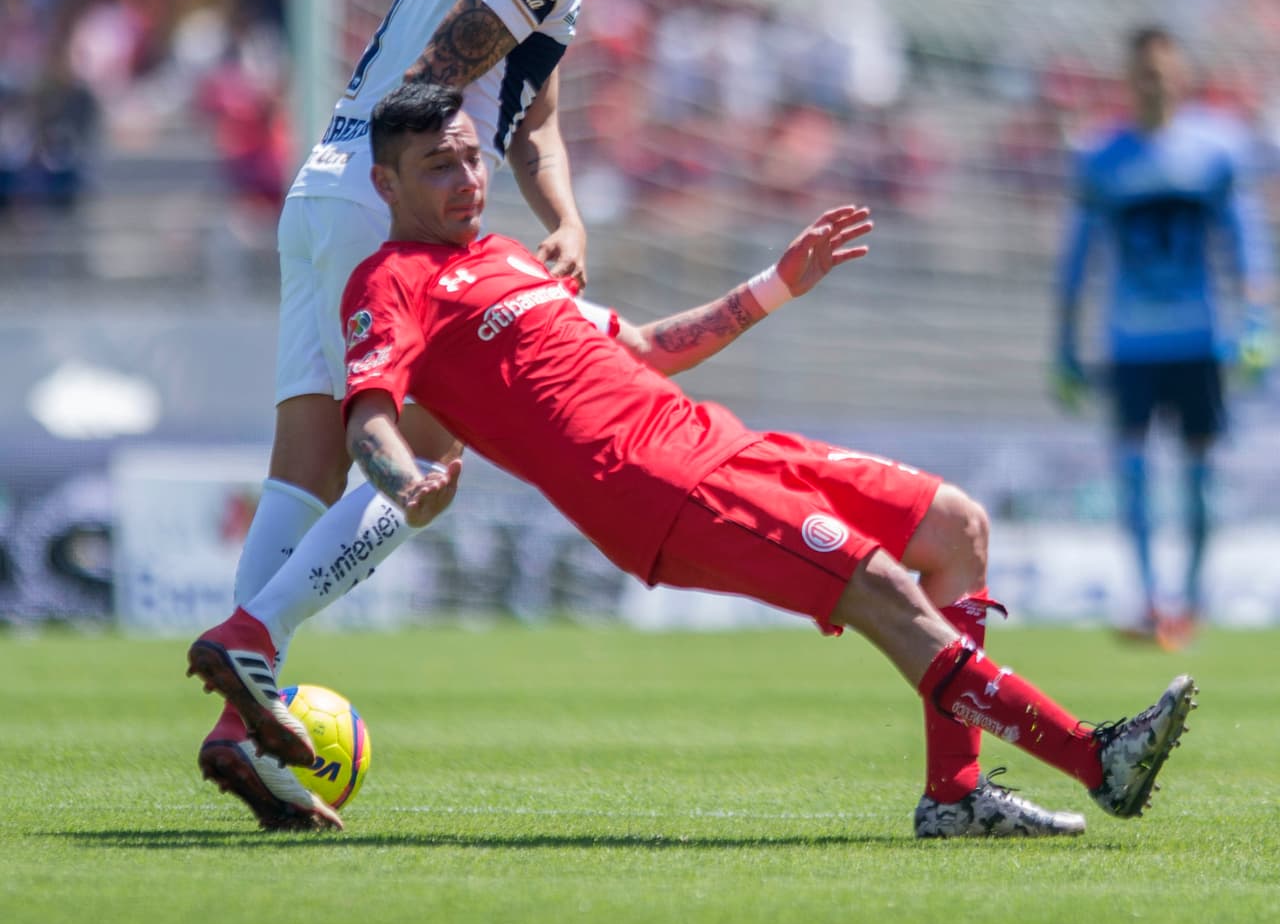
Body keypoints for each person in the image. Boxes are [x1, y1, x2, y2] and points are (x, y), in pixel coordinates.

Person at [190, 82, 1198, 839]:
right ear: (386, 184)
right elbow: (369, 411)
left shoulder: (504, 256)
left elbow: (635, 348)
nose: (464, 178)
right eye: (437, 166)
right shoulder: (391, 279)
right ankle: (1093, 758)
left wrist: (773, 284)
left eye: (468, 156)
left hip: (717, 439)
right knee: (885, 588)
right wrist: (401, 479)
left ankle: (954, 795)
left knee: (953, 527)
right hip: (656, 492)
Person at [193, 0, 681, 828]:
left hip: (323, 189)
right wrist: (435, 212)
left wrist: (563, 216)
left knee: (307, 466)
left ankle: (243, 721)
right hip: (386, 204)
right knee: (431, 448)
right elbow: (444, 78)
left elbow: (529, 106)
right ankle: (252, 642)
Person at [1052, 26, 1275, 647]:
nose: (1153, 84)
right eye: (1141, 74)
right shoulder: (1101, 155)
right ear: (1128, 81)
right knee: (1132, 470)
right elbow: (1078, 253)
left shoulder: (1216, 149)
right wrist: (1064, 342)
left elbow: (1246, 240)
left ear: (1181, 77)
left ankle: (1194, 602)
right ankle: (1150, 599)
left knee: (1201, 475)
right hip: (1129, 342)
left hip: (1199, 338)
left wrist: (1258, 321)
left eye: (1162, 73)